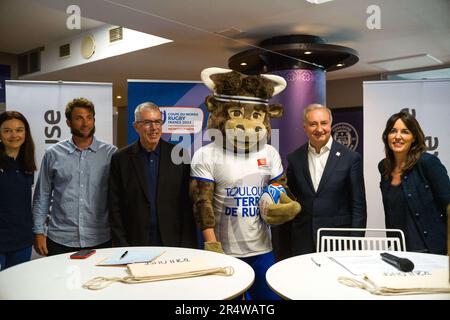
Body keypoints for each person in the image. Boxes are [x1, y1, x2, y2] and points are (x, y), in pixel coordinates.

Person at [276, 104, 367, 258]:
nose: (319, 129)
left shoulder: (350, 158)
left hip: (338, 240)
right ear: (305, 127)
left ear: (330, 124)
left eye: (324, 123)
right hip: (302, 240)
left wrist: (355, 244)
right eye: (313, 124)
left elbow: (358, 206)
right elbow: (291, 200)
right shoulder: (294, 158)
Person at [33, 98, 117, 256]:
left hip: (100, 238)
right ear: (68, 122)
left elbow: (119, 197)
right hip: (60, 239)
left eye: (89, 117)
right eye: (79, 118)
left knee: (99, 281)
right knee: (58, 280)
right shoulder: (53, 154)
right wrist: (38, 232)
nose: (85, 123)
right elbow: (42, 195)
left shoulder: (111, 154)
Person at [108, 102, 197, 248]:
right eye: (147, 122)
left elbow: (186, 204)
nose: (154, 128)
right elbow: (114, 206)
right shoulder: (120, 159)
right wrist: (121, 244)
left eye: (158, 122)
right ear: (136, 126)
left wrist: (187, 244)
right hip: (134, 242)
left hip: (172, 242)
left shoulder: (179, 155)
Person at [379, 111, 449, 254]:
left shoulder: (428, 163)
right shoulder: (384, 167)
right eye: (393, 131)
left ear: (414, 138)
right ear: (387, 137)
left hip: (432, 250)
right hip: (400, 251)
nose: (398, 136)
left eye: (405, 132)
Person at [0, 111, 36, 270]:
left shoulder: (26, 164)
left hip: (22, 242)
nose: (14, 135)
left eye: (19, 130)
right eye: (7, 130)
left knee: (15, 290)